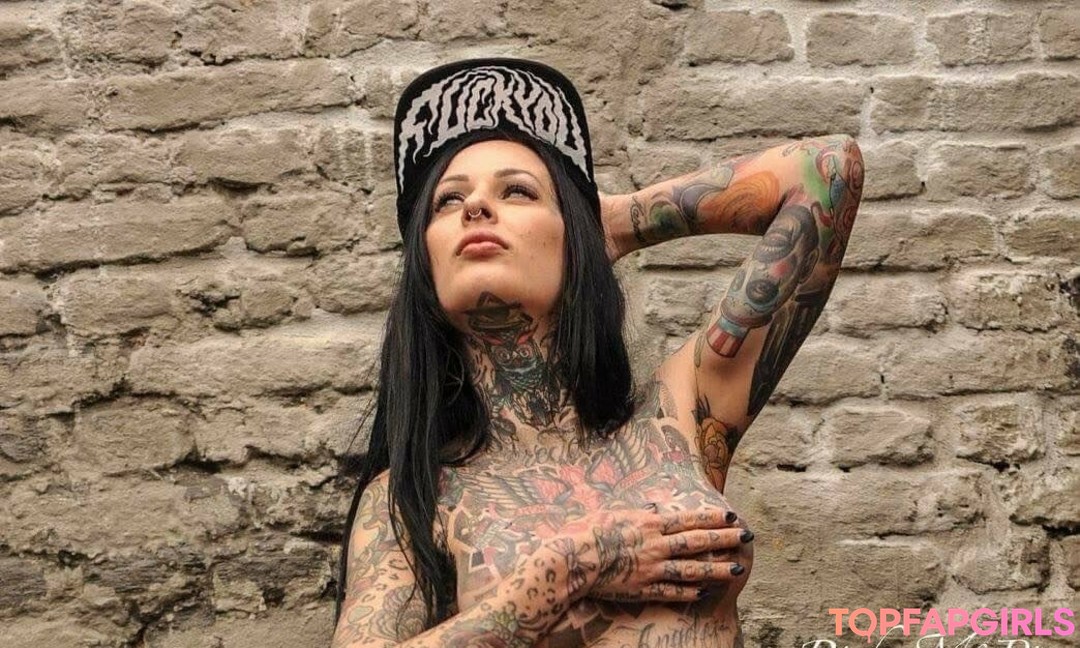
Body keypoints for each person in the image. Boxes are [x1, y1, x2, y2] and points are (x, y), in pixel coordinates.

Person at [331, 58, 864, 647]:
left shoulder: (676, 419)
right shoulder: (413, 497)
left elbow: (825, 171)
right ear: (426, 265)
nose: (475, 207)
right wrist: (566, 571)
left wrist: (610, 223)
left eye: (517, 191)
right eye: (447, 201)